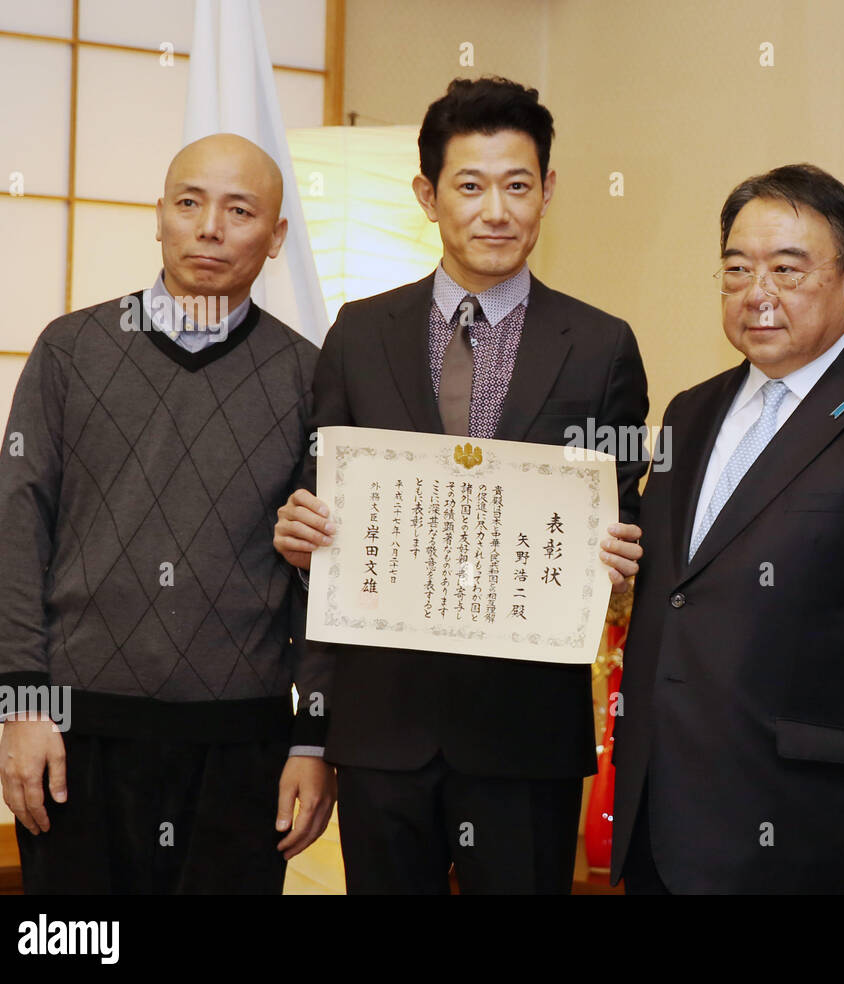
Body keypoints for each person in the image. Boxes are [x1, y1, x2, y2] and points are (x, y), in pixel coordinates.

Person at [272, 77, 649, 894]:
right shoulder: (359, 333)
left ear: (548, 191)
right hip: (381, 721)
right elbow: (323, 503)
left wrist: (626, 547)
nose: (496, 211)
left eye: (518, 185)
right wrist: (300, 530)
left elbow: (625, 506)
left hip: (523, 730)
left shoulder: (600, 346)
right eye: (470, 186)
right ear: (427, 195)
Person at [609, 163, 844, 893]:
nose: (759, 292)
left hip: (814, 820)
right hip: (663, 806)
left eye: (787, 269)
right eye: (738, 268)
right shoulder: (690, 412)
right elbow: (685, 586)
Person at [0, 133, 336, 894]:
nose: (210, 227)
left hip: (241, 743)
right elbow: (18, 533)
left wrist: (313, 737)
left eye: (240, 210)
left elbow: (325, 580)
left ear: (275, 238)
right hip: (77, 737)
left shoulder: (309, 377)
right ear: (159, 217)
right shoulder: (71, 351)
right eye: (189, 202)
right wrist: (21, 704)